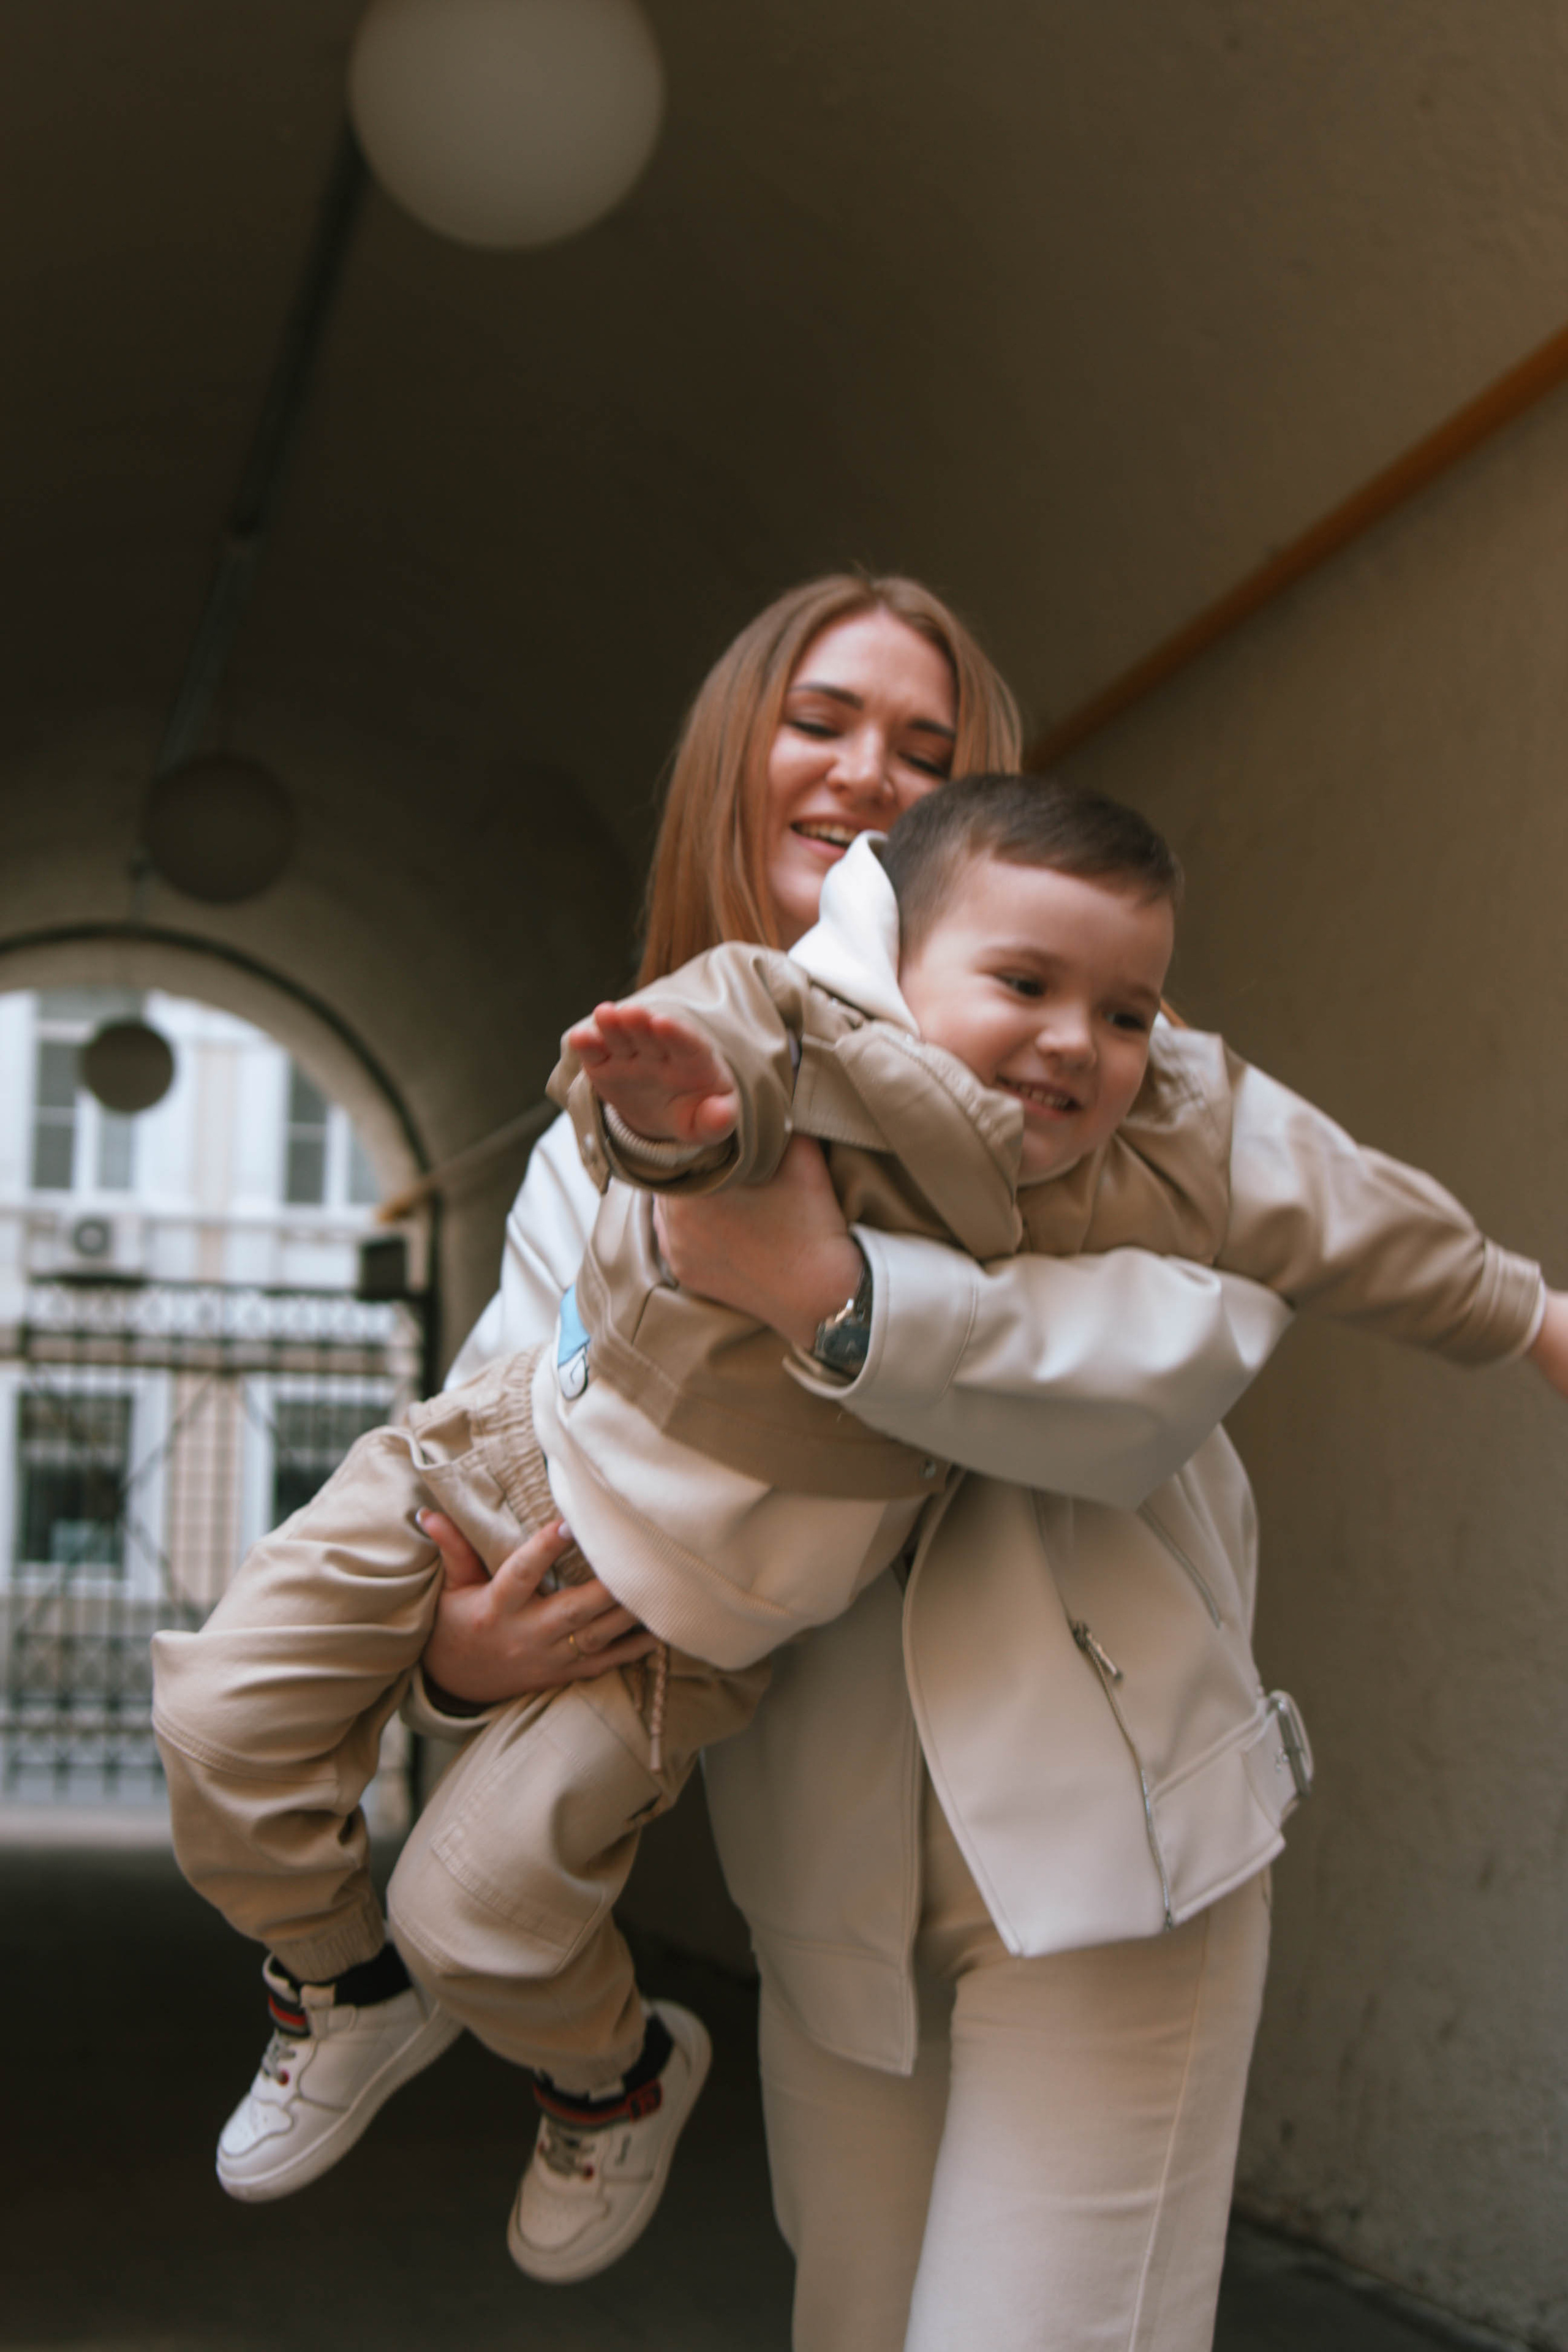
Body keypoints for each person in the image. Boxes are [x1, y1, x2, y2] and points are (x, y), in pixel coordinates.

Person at [155, 765, 1561, 2280]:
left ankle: (603, 2080)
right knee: (247, 1742)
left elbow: (1266, 1273)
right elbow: (666, 1146)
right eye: (819, 720)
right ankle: (341, 1990)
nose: (865, 771)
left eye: (922, 734)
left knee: (486, 1916)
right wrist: (453, 1666)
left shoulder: (1134, 1140)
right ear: (886, 912)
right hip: (666, 1672)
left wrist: (828, 1297)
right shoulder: (746, 1023)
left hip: (1029, 1800)